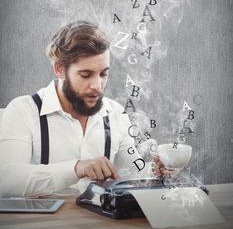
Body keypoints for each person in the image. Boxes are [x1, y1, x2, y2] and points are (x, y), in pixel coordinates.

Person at [0, 21, 167, 197]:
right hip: (43, 224)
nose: (97, 86)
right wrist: (76, 168)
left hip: (98, 222)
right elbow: (6, 179)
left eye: (103, 74)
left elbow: (134, 171)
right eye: (86, 75)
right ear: (59, 69)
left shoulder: (116, 113)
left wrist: (155, 171)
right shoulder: (23, 110)